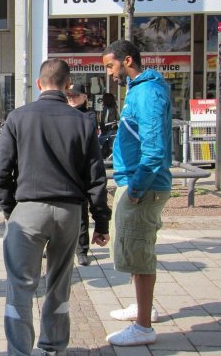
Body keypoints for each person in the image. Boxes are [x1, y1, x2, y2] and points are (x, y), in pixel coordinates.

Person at [0, 58, 110, 356]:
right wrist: (101, 222)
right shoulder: (84, 122)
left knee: (20, 285)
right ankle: (53, 347)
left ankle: (20, 351)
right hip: (69, 212)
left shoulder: (17, 118)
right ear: (68, 85)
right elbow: (95, 177)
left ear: (39, 84)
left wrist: (11, 211)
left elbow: (1, 174)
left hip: (28, 209)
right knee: (59, 283)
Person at [102, 39, 172, 347]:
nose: (108, 73)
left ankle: (144, 327)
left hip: (143, 186)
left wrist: (137, 188)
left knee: (140, 253)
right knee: (130, 248)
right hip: (135, 181)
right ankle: (143, 308)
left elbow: (154, 148)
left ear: (127, 60)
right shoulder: (139, 89)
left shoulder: (147, 93)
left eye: (109, 66)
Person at [66, 83, 97, 267]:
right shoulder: (63, 112)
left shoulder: (89, 116)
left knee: (81, 212)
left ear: (85, 97)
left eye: (76, 95)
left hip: (82, 170)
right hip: (64, 167)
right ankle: (51, 245)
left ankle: (82, 250)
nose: (72, 98)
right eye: (69, 95)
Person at [98, 92, 119, 157]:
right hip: (114, 129)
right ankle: (112, 160)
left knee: (99, 144)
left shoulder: (106, 108)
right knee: (112, 147)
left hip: (107, 130)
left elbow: (104, 120)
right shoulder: (114, 108)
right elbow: (118, 118)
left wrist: (101, 127)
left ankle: (103, 159)